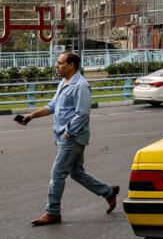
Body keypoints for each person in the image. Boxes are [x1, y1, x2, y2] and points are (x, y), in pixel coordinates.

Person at [16, 51, 119, 226]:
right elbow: (53, 106)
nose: (56, 65)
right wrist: (31, 116)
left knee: (57, 173)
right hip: (64, 136)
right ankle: (108, 192)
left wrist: (68, 133)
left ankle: (53, 212)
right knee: (77, 173)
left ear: (71, 65)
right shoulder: (64, 83)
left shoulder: (81, 86)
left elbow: (82, 114)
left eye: (60, 63)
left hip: (73, 137)